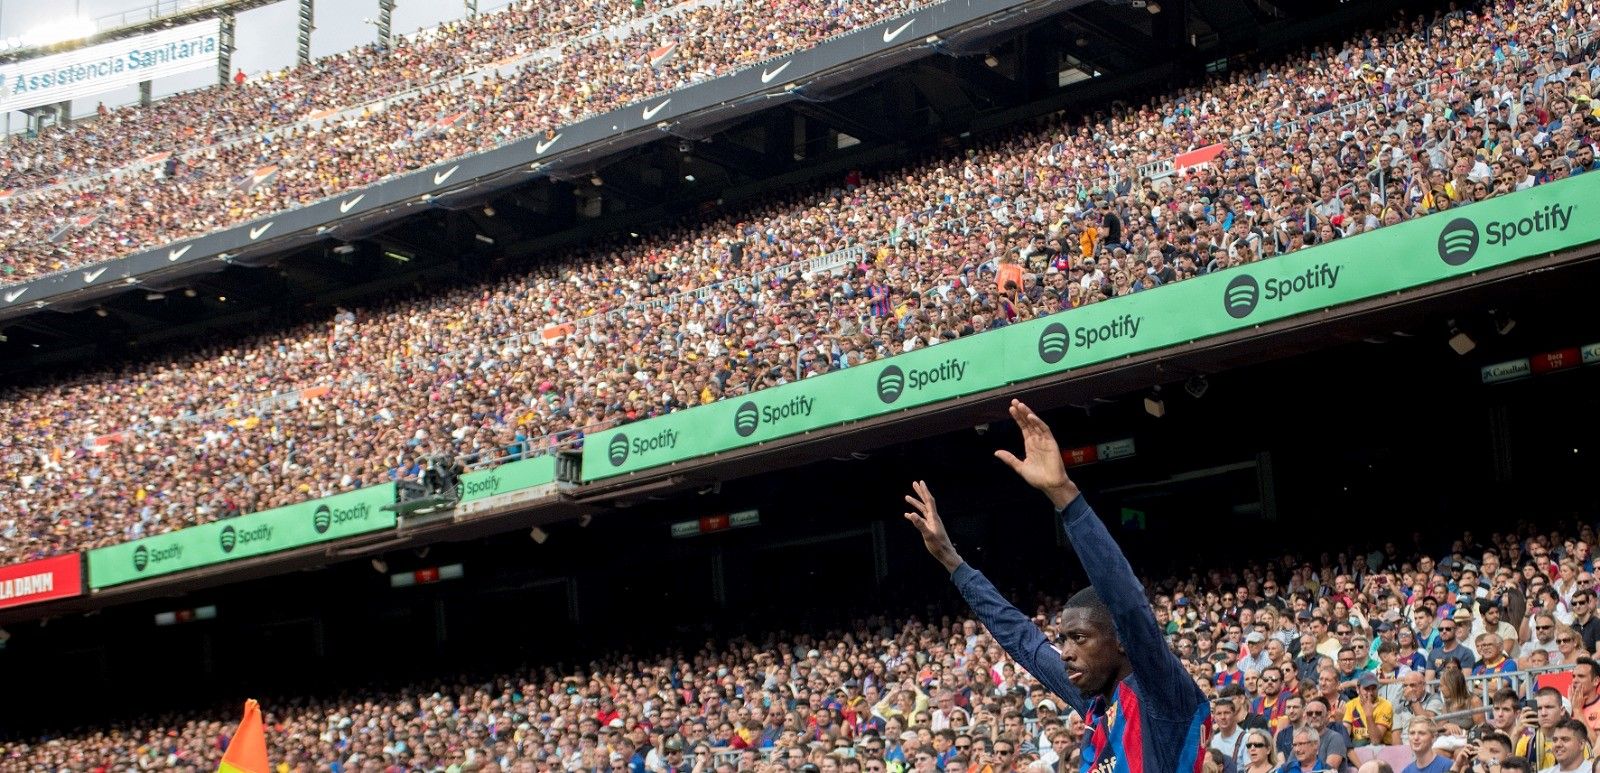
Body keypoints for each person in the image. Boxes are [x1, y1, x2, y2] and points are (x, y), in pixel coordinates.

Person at [902, 399, 1209, 773]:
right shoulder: (1098, 703)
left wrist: (1065, 495)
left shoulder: (1160, 695)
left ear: (1122, 641)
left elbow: (1126, 601)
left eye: (1079, 638)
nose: (1064, 652)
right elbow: (1025, 642)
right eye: (1064, 639)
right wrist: (952, 560)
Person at [1343, 673, 1392, 748]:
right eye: (1366, 689)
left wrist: (1369, 715)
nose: (1370, 693)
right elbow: (1345, 736)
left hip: (1381, 747)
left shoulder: (1385, 705)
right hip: (1358, 747)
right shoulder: (1350, 705)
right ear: (1357, 689)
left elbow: (1376, 741)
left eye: (1373, 688)